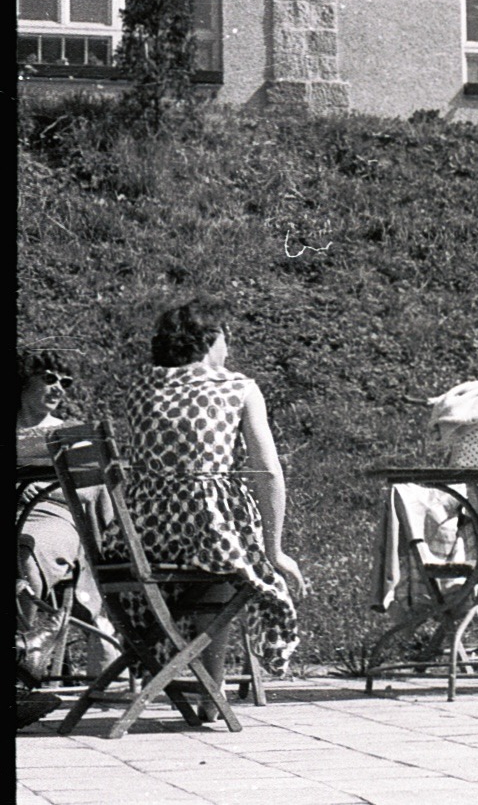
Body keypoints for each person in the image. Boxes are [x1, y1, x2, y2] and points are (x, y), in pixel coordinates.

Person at [119, 302, 306, 709]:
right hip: (207, 532)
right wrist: (275, 551)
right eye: (226, 336)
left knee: (213, 557)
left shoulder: (138, 386)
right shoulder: (237, 387)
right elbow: (269, 472)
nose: (229, 347)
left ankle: (201, 683)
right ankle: (211, 688)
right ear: (210, 340)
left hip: (138, 538)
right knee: (225, 560)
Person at [15, 350, 121, 706]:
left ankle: (22, 671)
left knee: (24, 555)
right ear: (23, 380)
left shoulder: (71, 434)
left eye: (65, 382)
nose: (58, 387)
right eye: (49, 378)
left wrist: (49, 485)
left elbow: (96, 489)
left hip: (54, 516)